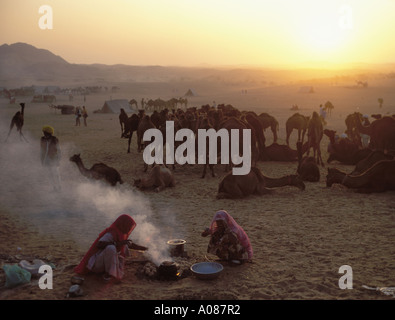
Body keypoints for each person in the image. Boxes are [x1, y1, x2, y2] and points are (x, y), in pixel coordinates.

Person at [74, 214, 148, 282]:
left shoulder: (120, 234)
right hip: (97, 266)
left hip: (104, 264)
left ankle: (110, 272)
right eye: (128, 226)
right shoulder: (111, 232)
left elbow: (130, 244)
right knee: (111, 248)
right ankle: (109, 275)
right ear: (123, 224)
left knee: (124, 245)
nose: (129, 229)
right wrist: (117, 243)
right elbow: (99, 244)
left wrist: (145, 249)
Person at [40, 126, 61, 192]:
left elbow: (59, 149)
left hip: (54, 158)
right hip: (46, 159)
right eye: (44, 132)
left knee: (56, 173)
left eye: (45, 132)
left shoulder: (54, 139)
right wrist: (42, 160)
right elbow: (41, 150)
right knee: (49, 173)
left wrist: (59, 159)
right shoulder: (42, 139)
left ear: (49, 133)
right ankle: (54, 187)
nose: (44, 134)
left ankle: (59, 186)